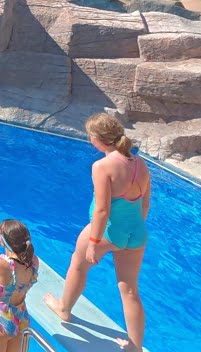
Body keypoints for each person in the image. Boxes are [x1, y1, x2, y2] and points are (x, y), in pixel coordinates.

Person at [44, 113, 150, 351]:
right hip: (136, 232)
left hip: (107, 231)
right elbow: (145, 204)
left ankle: (64, 309)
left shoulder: (102, 166)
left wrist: (94, 242)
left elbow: (102, 210)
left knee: (78, 265)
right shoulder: (140, 164)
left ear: (98, 139)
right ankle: (135, 347)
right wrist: (128, 232)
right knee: (130, 289)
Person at [0, 219, 40, 352]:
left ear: (2, 240)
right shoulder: (34, 262)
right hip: (21, 319)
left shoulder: (2, 265)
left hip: (0, 321)